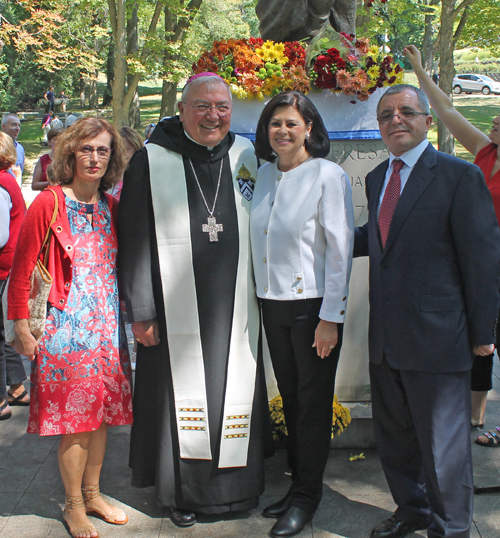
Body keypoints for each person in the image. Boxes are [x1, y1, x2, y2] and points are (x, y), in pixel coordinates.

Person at [118, 72, 269, 527]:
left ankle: (238, 488)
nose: (213, 115)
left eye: (222, 106)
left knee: (235, 393)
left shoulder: (246, 154)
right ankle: (182, 493)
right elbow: (134, 239)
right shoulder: (151, 160)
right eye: (202, 106)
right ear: (181, 109)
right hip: (173, 309)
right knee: (179, 400)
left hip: (237, 307)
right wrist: (141, 311)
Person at [354, 84, 500, 538]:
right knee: (396, 440)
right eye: (386, 115)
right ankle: (412, 510)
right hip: (386, 338)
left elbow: (481, 259)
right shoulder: (377, 177)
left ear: (426, 121)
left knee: (444, 449)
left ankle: (451, 527)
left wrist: (482, 333)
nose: (395, 120)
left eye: (406, 112)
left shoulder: (459, 176)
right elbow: (375, 240)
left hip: (439, 338)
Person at [8, 117, 132, 538]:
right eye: (86, 149)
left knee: (99, 418)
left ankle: (94, 493)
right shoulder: (50, 203)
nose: (95, 157)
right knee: (74, 421)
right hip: (64, 330)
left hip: (105, 328)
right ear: (70, 154)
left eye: (103, 150)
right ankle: (73, 504)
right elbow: (23, 270)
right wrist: (22, 329)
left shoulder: (111, 207)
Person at [250, 91, 354, 538]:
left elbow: (339, 250)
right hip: (271, 305)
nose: (283, 131)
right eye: (275, 123)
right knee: (291, 401)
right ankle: (297, 486)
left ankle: (308, 497)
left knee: (312, 406)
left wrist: (331, 316)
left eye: (292, 123)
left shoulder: (328, 176)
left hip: (313, 310)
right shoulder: (263, 175)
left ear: (309, 127)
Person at [405, 45, 500, 445]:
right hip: (478, 263)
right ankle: (476, 415)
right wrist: (419, 70)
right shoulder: (486, 151)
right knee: (478, 338)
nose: (495, 118)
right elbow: (447, 111)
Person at [0, 132, 27, 421]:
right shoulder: (6, 179)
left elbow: (0, 234)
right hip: (8, 267)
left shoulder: (0, 182)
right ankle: (17, 388)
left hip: (3, 267)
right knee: (3, 333)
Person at [110, 127, 143, 200]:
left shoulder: (142, 179)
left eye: (127, 149)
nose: (121, 153)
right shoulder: (107, 177)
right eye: (118, 149)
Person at [1, 114, 24, 182]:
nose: (18, 129)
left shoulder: (20, 149)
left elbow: (20, 172)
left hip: (14, 189)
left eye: (19, 125)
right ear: (3, 126)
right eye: (14, 125)